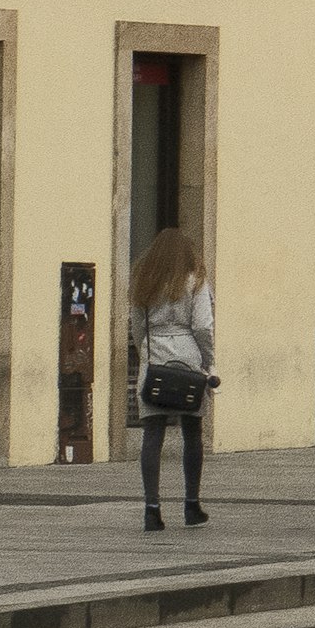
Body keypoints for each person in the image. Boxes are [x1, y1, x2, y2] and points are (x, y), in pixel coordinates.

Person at [132, 226, 214, 532]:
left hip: (154, 358)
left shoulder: (144, 282)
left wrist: (146, 354)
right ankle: (192, 504)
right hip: (189, 358)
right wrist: (208, 362)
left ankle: (151, 508)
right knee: (192, 431)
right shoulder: (196, 281)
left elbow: (137, 327)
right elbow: (203, 326)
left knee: (152, 435)